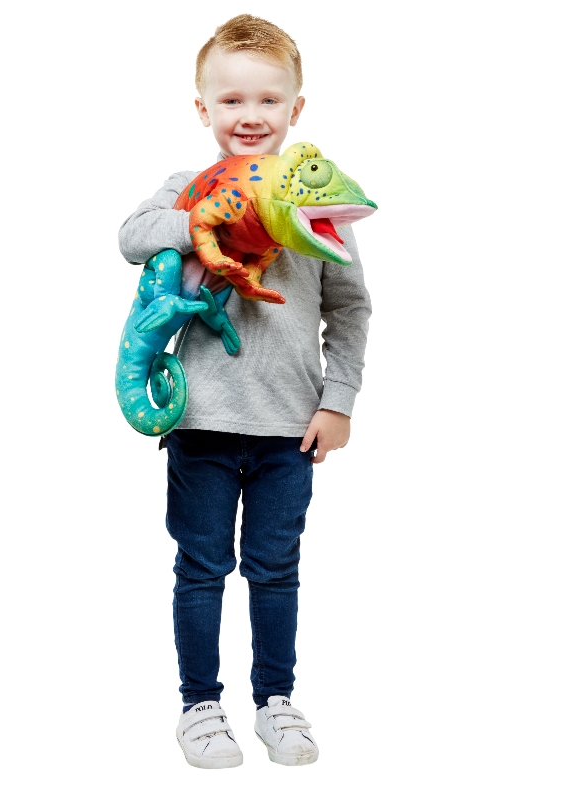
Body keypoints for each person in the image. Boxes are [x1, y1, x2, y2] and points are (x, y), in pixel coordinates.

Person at [118, 14, 372, 769]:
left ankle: (275, 701)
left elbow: (351, 308)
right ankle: (200, 705)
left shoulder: (318, 201)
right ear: (204, 110)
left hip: (290, 427)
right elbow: (130, 236)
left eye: (268, 100)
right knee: (200, 567)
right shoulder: (189, 185)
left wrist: (340, 401)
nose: (250, 115)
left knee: (276, 567)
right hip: (198, 418)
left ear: (297, 109)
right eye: (231, 101)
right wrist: (199, 213)